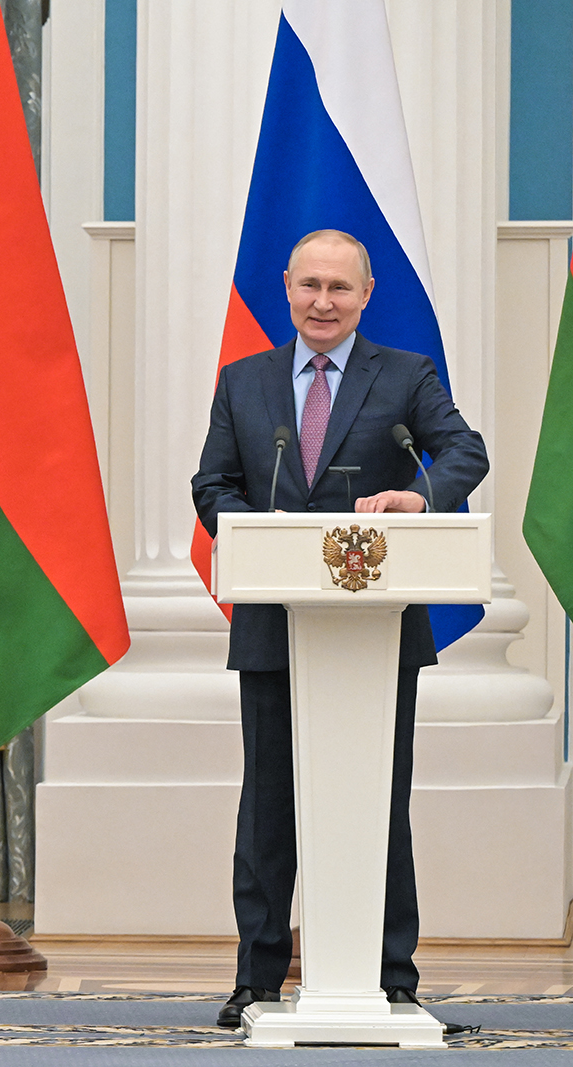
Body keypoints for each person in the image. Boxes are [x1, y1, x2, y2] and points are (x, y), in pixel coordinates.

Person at [191, 229, 487, 1029]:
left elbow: (465, 450)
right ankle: (257, 979)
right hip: (273, 624)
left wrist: (419, 498)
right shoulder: (242, 381)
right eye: (310, 285)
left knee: (377, 803)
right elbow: (211, 484)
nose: (323, 302)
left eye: (340, 289)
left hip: (375, 629)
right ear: (286, 286)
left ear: (367, 294)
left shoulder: (406, 376)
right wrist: (258, 535)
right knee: (267, 808)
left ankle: (392, 979)